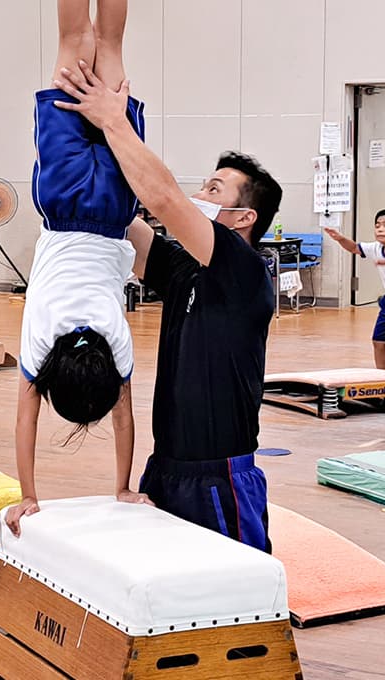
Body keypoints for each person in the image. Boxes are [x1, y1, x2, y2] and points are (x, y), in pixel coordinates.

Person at [47, 59, 283, 552]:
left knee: (238, 607)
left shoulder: (244, 269)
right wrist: (85, 135)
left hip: (219, 475)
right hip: (166, 468)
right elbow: (121, 219)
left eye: (214, 190)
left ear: (243, 217)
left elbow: (164, 197)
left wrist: (116, 120)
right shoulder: (185, 270)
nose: (200, 194)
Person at [5, 0, 150, 535]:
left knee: (108, 46)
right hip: (64, 203)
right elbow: (25, 420)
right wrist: (28, 496)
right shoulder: (41, 342)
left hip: (114, 210)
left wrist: (124, 486)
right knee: (73, 39)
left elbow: (127, 416)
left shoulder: (117, 344)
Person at [325, 208, 385, 390]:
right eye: (377, 225)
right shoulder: (376, 248)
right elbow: (355, 248)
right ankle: (383, 379)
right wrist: (340, 238)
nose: (380, 229)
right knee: (378, 341)